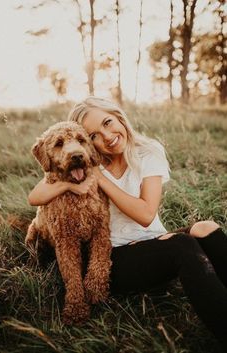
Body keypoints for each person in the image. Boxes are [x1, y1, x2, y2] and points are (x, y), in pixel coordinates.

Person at [28, 96, 227, 351]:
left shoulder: (147, 151)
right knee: (183, 245)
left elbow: (145, 214)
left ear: (118, 115)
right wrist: (69, 184)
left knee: (206, 227)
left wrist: (100, 179)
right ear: (88, 143)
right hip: (115, 256)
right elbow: (35, 196)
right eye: (94, 135)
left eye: (108, 122)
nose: (107, 136)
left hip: (153, 241)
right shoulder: (85, 163)